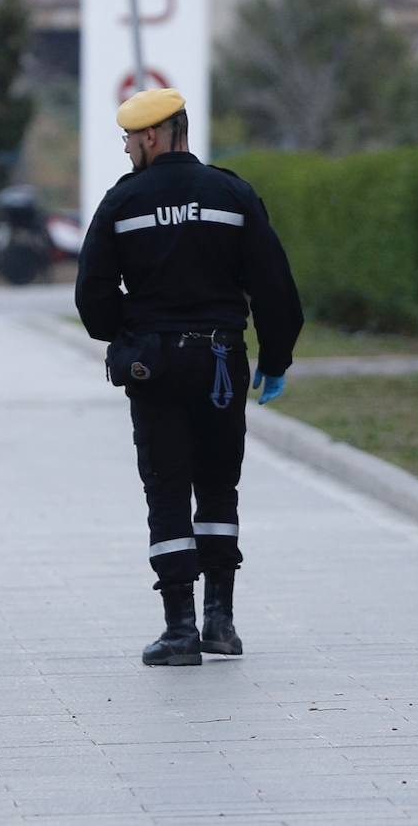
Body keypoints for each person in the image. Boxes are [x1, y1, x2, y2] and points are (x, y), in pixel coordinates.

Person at [75, 87, 303, 667]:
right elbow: (276, 289)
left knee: (167, 489)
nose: (126, 149)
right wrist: (275, 358)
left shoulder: (122, 204)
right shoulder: (232, 194)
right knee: (219, 488)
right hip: (221, 361)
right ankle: (220, 623)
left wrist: (130, 329)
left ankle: (178, 630)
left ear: (151, 136)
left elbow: (92, 297)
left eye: (128, 139)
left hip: (155, 365)